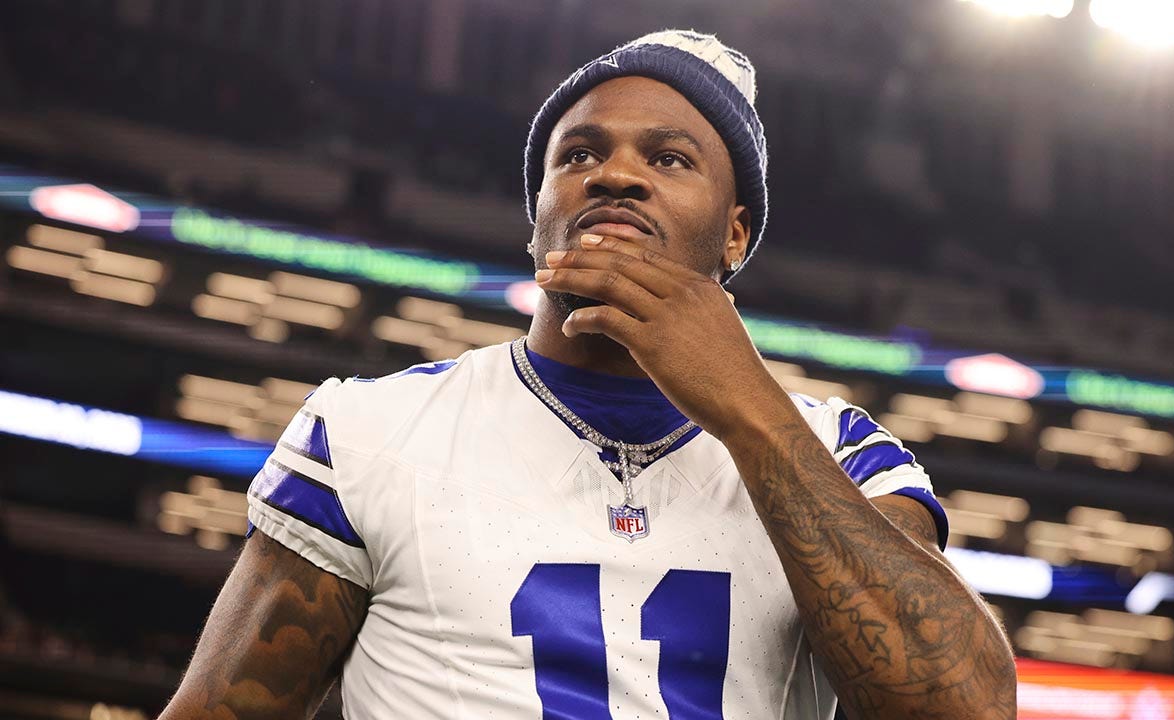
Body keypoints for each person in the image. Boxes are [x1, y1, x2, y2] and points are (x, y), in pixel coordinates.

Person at [160, 30, 1016, 719]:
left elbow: (967, 707)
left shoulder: (845, 453)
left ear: (735, 234)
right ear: (536, 221)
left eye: (669, 158)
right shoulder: (367, 432)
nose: (614, 175)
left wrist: (750, 411)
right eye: (577, 155)